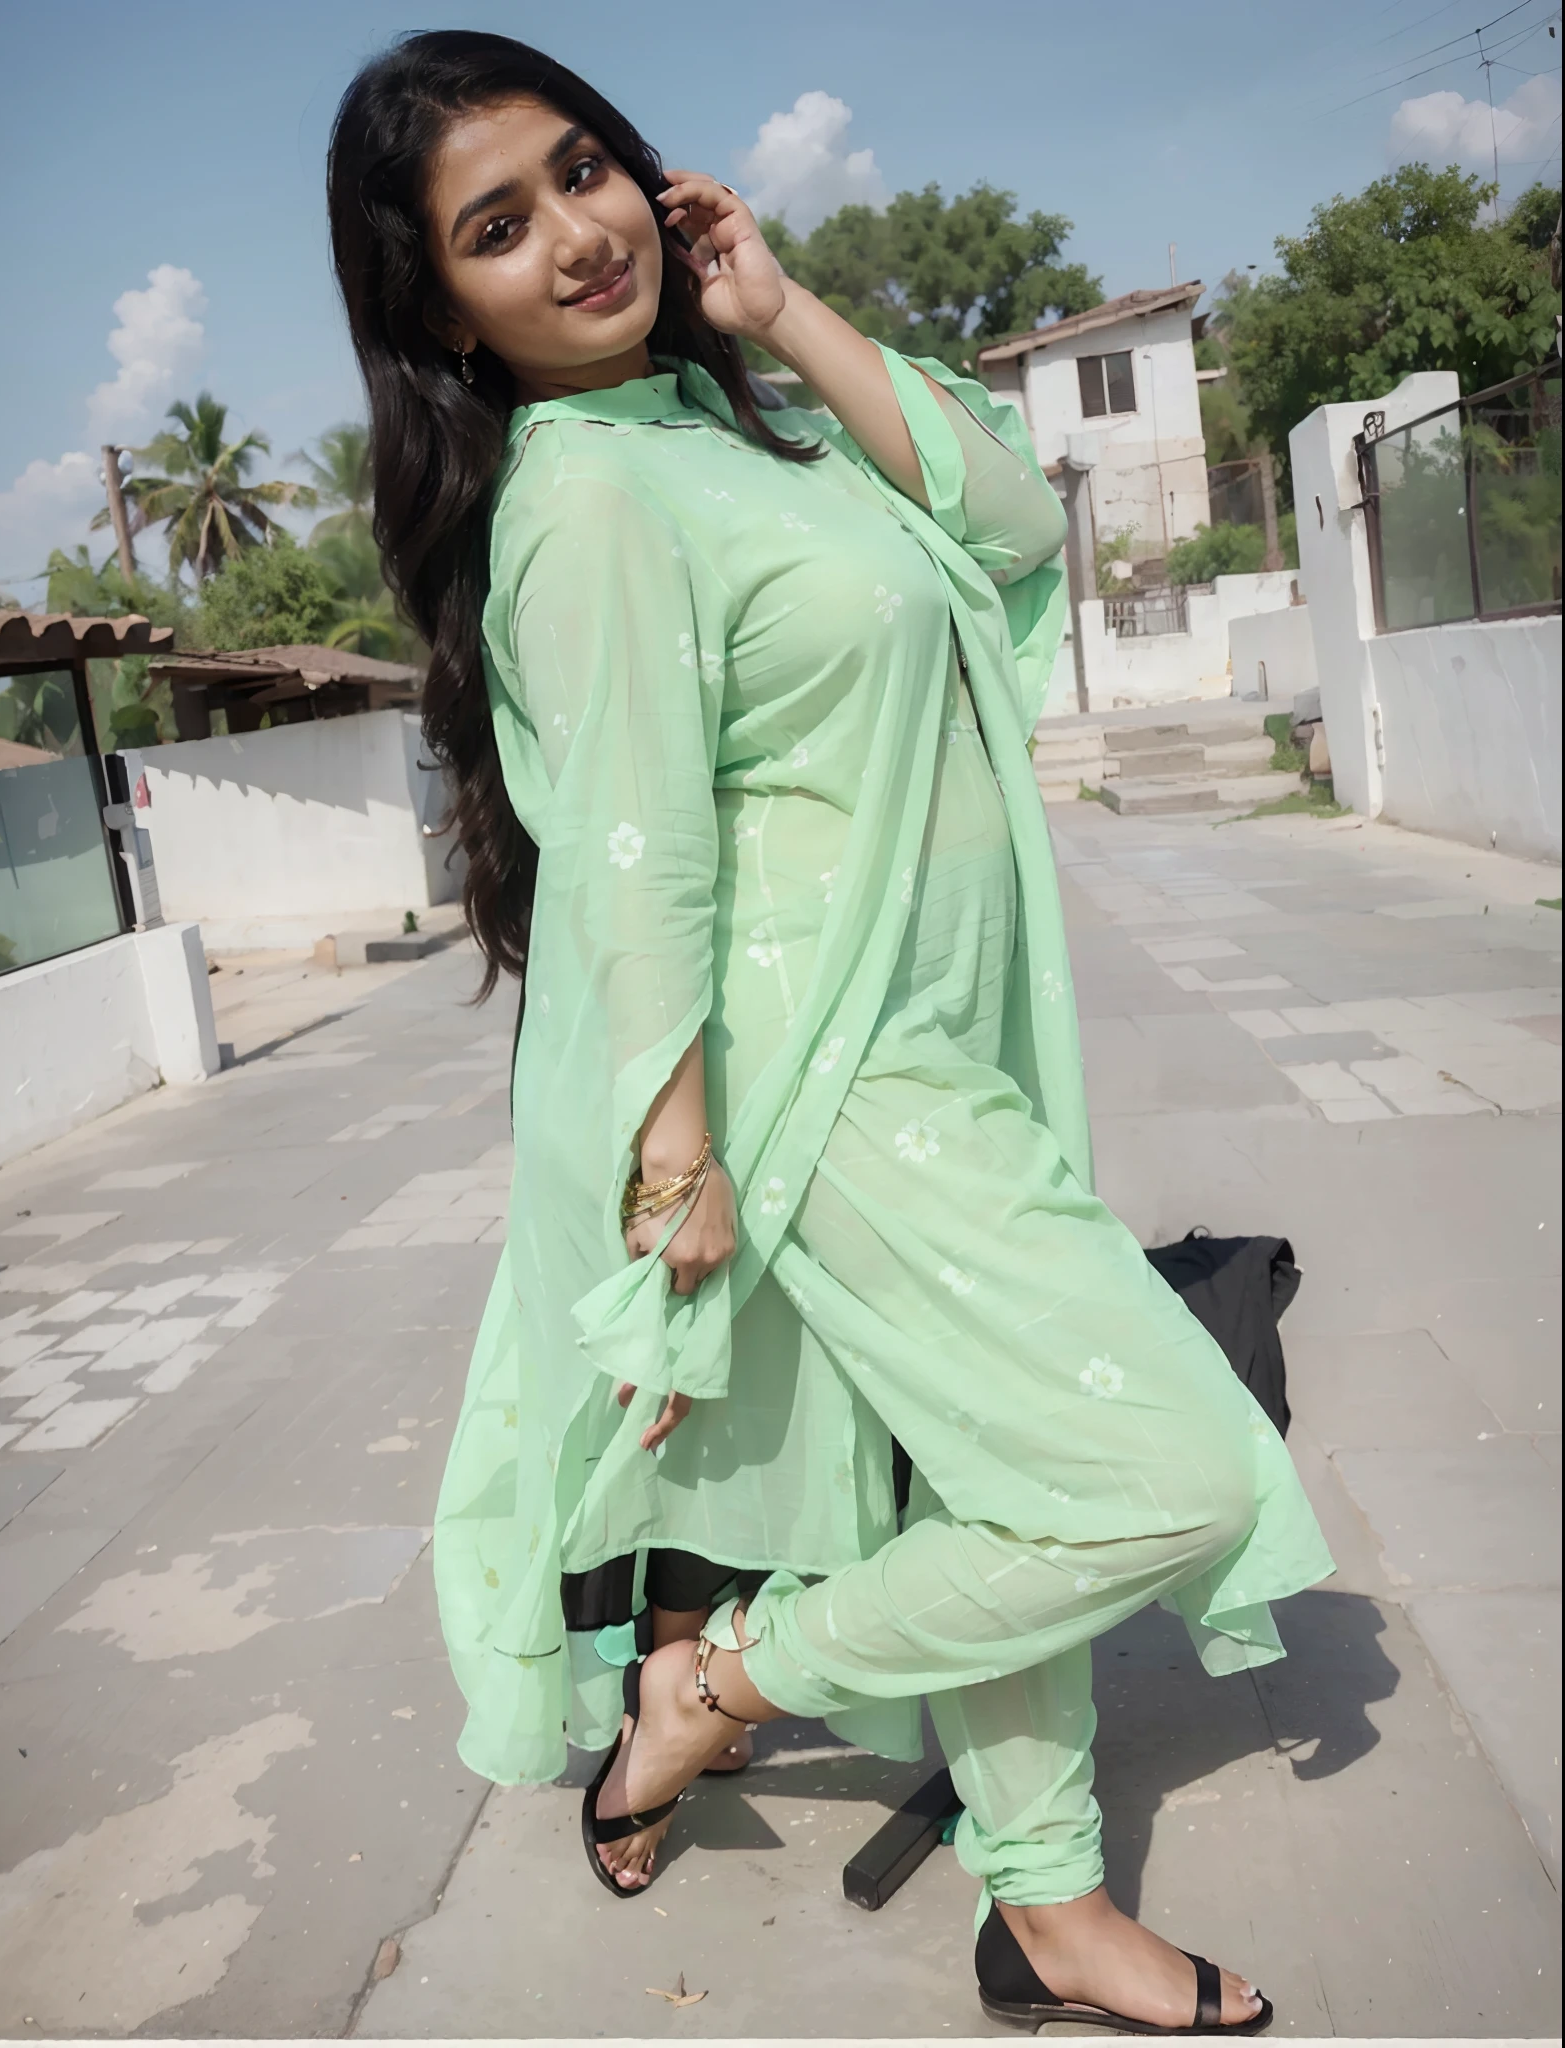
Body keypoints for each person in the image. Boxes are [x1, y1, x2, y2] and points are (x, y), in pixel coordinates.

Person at [328, 31, 1334, 2033]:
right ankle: (712, 1683)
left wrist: (777, 304)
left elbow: (1007, 527)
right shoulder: (585, 500)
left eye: (586, 171)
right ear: (437, 306)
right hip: (826, 1069)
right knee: (1161, 1475)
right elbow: (635, 853)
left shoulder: (746, 431)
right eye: (497, 227)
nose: (576, 237)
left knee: (996, 1466)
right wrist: (677, 1146)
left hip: (939, 1027)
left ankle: (1045, 1905)